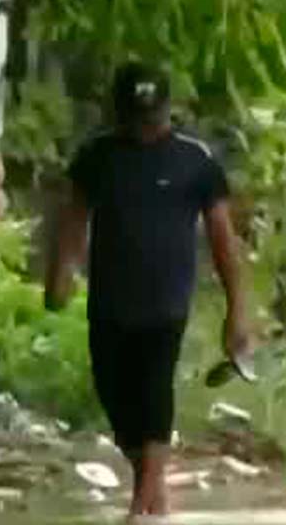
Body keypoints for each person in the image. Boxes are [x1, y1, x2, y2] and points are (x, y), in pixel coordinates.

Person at [44, 62, 251, 518]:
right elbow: (74, 221)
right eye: (137, 119)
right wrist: (59, 275)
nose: (146, 128)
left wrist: (236, 310)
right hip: (111, 302)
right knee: (117, 403)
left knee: (155, 393)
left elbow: (223, 240)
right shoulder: (98, 157)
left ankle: (140, 509)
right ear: (120, 113)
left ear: (167, 110)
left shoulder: (195, 161)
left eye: (153, 117)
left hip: (166, 303)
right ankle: (155, 497)